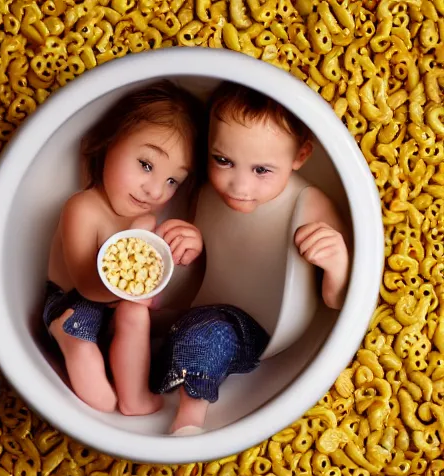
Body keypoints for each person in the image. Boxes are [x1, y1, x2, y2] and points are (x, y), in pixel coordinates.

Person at [152, 81, 351, 435]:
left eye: (261, 170)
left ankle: (188, 420)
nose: (238, 186)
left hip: (260, 328)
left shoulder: (309, 203)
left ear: (300, 157)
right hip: (202, 308)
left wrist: (337, 265)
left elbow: (337, 302)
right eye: (223, 161)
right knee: (138, 312)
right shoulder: (207, 193)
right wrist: (191, 246)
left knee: (210, 333)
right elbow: (210, 266)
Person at [43, 81, 204, 415]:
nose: (155, 189)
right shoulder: (82, 208)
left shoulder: (145, 218)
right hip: (71, 305)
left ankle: (134, 396)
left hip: (112, 310)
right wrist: (129, 292)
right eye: (146, 165)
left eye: (173, 180)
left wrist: (186, 246)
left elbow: (151, 269)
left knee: (135, 313)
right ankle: (69, 339)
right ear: (108, 144)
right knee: (99, 393)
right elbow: (88, 284)